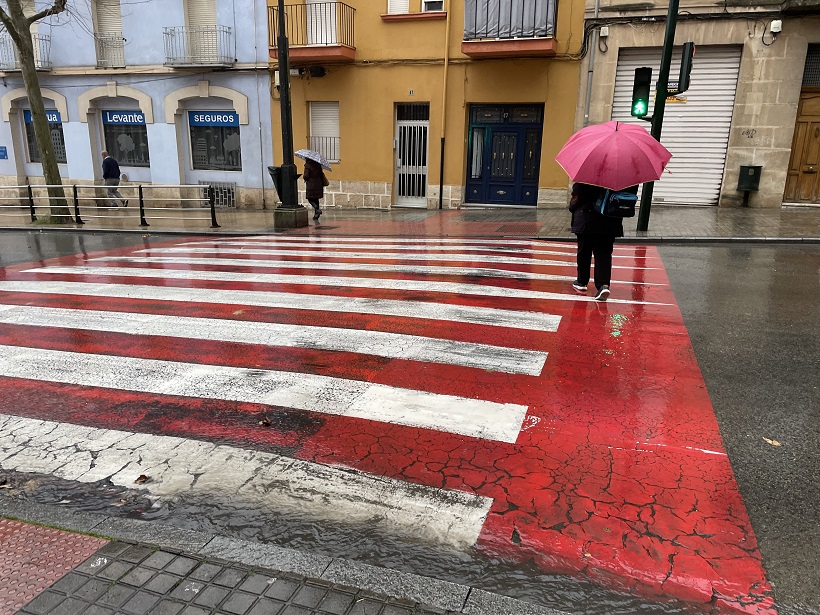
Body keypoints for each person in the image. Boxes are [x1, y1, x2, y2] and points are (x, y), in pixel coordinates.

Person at [568, 182, 637, 302]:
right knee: (604, 254)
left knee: (584, 251)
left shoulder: (589, 176)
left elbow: (578, 193)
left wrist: (572, 206)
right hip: (610, 220)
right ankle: (603, 285)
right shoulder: (624, 179)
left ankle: (582, 281)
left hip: (587, 217)